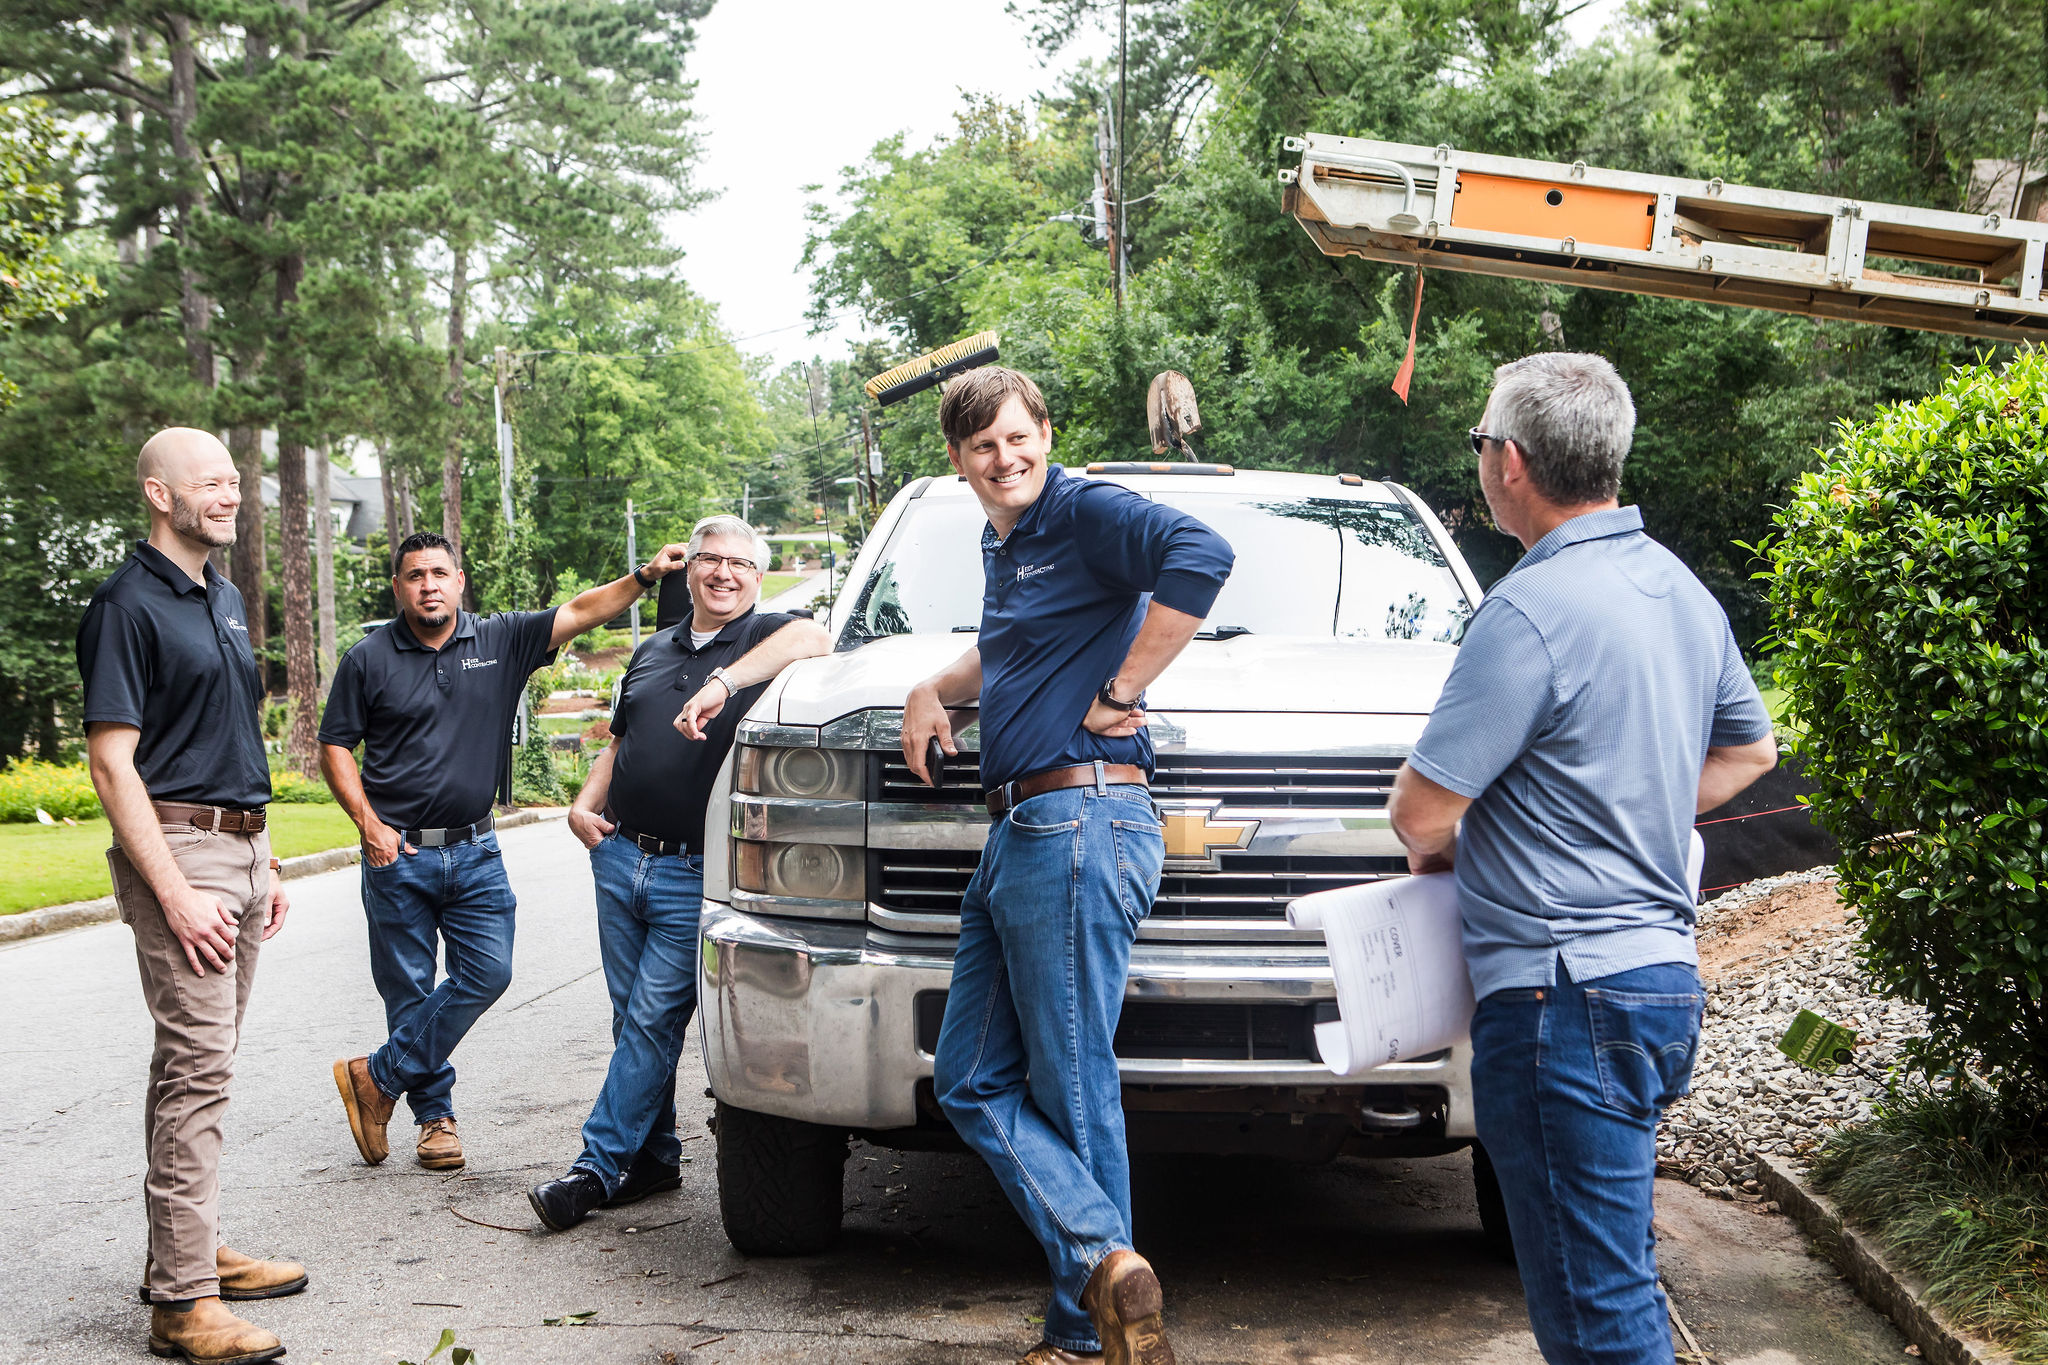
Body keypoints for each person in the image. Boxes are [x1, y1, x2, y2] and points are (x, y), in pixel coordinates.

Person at [1386, 352, 1778, 1365]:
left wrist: (1493, 839)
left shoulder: (1527, 610)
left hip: (1559, 1000)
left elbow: (1421, 812)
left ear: (1510, 461)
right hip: (1657, 983)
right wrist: (1624, 809)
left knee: (1595, 1313)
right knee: (1614, 1278)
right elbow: (1748, 751)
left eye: (1479, 441)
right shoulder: (1678, 590)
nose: (1480, 458)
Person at [900, 368, 1232, 1365]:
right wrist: (931, 687)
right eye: (982, 447)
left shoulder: (1082, 510)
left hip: (1081, 816)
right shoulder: (1007, 545)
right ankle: (1102, 1269)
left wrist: (1123, 688)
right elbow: (1008, 649)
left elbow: (1202, 554)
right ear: (958, 460)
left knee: (1071, 1081)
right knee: (969, 1078)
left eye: (1017, 437)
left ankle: (1087, 1333)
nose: (1004, 459)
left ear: (1044, 432)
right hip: (1020, 829)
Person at [320, 529, 694, 1173]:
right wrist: (367, 825)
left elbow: (581, 610)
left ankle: (376, 1076)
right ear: (399, 587)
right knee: (408, 989)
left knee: (489, 972)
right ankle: (435, 1119)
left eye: (439, 573)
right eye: (416, 576)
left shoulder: (501, 639)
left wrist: (645, 576)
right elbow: (335, 745)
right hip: (397, 852)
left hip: (476, 850)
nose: (429, 586)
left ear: (459, 581)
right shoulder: (367, 658)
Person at [528, 515, 832, 1230]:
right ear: (688, 568)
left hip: (695, 871)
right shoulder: (651, 650)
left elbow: (816, 637)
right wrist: (583, 804)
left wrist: (724, 682)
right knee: (630, 1017)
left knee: (653, 1019)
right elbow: (621, 740)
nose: (724, 573)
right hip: (619, 858)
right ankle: (656, 1157)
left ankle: (596, 1168)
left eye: (740, 563)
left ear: (758, 577)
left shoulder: (767, 640)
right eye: (710, 559)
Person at [77, 427, 305, 1365]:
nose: (232, 492)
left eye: (235, 478)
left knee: (200, 1064)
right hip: (180, 853)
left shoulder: (223, 596)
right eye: (210, 480)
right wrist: (173, 892)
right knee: (197, 1068)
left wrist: (268, 858)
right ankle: (181, 1300)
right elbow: (111, 762)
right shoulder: (125, 605)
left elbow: (228, 735)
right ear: (159, 494)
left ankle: (191, 1247)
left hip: (239, 849)